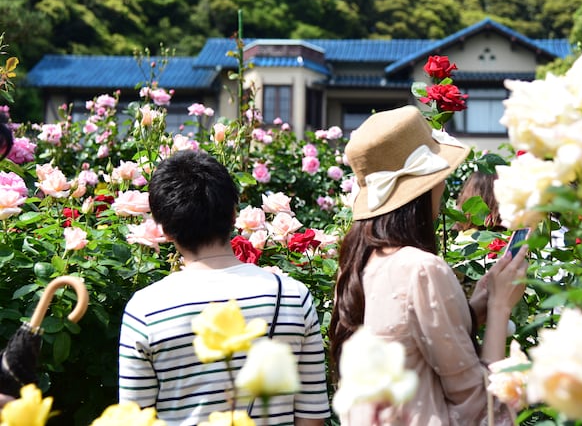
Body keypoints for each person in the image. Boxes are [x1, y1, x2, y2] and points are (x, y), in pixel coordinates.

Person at [329, 106, 528, 425]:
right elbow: (482, 411)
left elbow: (410, 343)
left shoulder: (364, 260)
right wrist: (502, 306)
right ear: (426, 185)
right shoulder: (421, 268)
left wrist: (474, 308)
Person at [118, 150, 329, 425]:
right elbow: (311, 417)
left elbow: (134, 420)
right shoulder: (292, 296)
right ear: (233, 215)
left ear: (163, 229)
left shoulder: (145, 309)